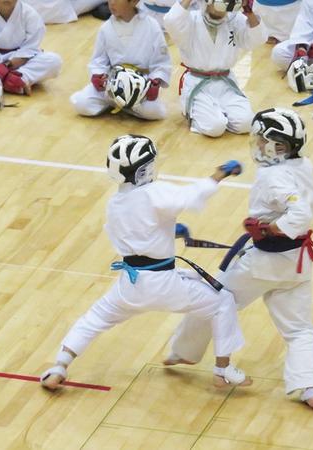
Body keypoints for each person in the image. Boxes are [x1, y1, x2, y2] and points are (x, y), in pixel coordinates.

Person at [41, 134, 251, 391]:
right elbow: (191, 195)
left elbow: (135, 232)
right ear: (144, 168)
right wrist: (221, 173)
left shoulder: (115, 202)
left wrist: (167, 232)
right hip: (164, 284)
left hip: (130, 285)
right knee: (222, 302)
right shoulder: (154, 192)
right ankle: (223, 370)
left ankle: (59, 366)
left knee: (93, 319)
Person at [164, 108, 313, 410]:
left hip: (263, 263)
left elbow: (300, 213)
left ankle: (185, 351)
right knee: (299, 328)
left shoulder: (272, 177)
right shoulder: (304, 165)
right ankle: (309, 387)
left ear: (276, 146)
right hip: (297, 264)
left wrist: (272, 228)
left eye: (262, 140)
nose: (258, 145)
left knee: (212, 299)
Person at [164, 0, 268, 137]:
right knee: (215, 127)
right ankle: (198, 112)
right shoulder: (191, 20)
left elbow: (258, 39)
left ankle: (220, 113)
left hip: (226, 83)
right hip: (198, 84)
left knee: (247, 123)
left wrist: (249, 13)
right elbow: (171, 21)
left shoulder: (234, 20)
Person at [70, 0, 171, 120]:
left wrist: (155, 81)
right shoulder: (106, 28)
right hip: (110, 84)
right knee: (81, 103)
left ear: (134, 2)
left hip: (139, 87)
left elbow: (161, 62)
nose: (111, 3)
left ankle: (127, 102)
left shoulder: (152, 26)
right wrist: (98, 75)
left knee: (154, 111)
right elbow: (99, 60)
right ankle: (124, 104)